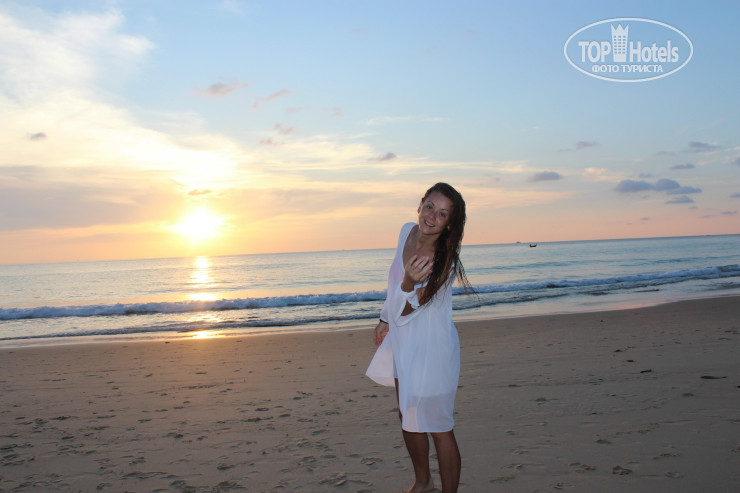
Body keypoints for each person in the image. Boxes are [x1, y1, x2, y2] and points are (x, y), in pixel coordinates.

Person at [366, 182, 472, 493]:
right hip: (404, 342)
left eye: (442, 214)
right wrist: (384, 318)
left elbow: (409, 308)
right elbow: (393, 282)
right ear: (420, 204)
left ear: (449, 223)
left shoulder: (442, 262)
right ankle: (424, 482)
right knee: (407, 413)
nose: (432, 217)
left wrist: (409, 284)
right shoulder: (406, 231)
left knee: (439, 426)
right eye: (430, 207)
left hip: (431, 349)